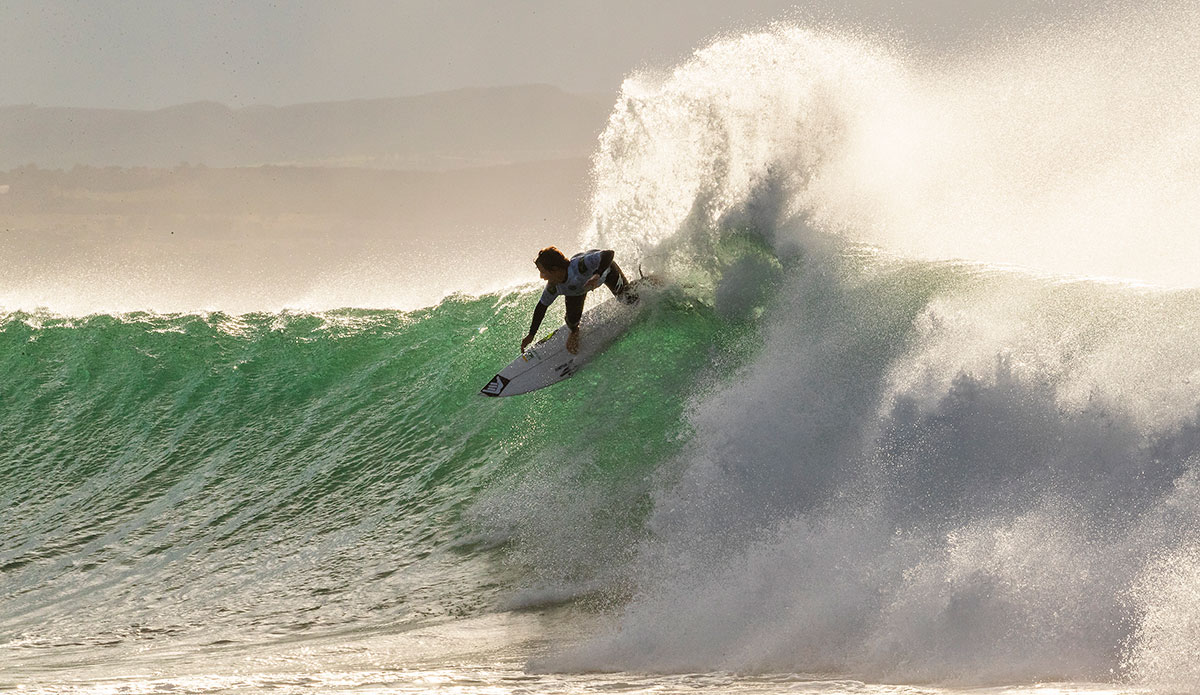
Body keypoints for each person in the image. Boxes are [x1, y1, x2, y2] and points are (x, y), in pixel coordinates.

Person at [522, 246, 635, 355]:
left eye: (543, 272)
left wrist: (597, 274)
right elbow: (542, 306)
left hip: (607, 271)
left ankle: (644, 282)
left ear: (555, 269)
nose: (542, 277)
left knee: (629, 299)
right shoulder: (554, 287)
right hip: (577, 290)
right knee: (572, 322)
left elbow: (608, 253)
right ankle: (575, 332)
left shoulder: (580, 266)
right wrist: (531, 334)